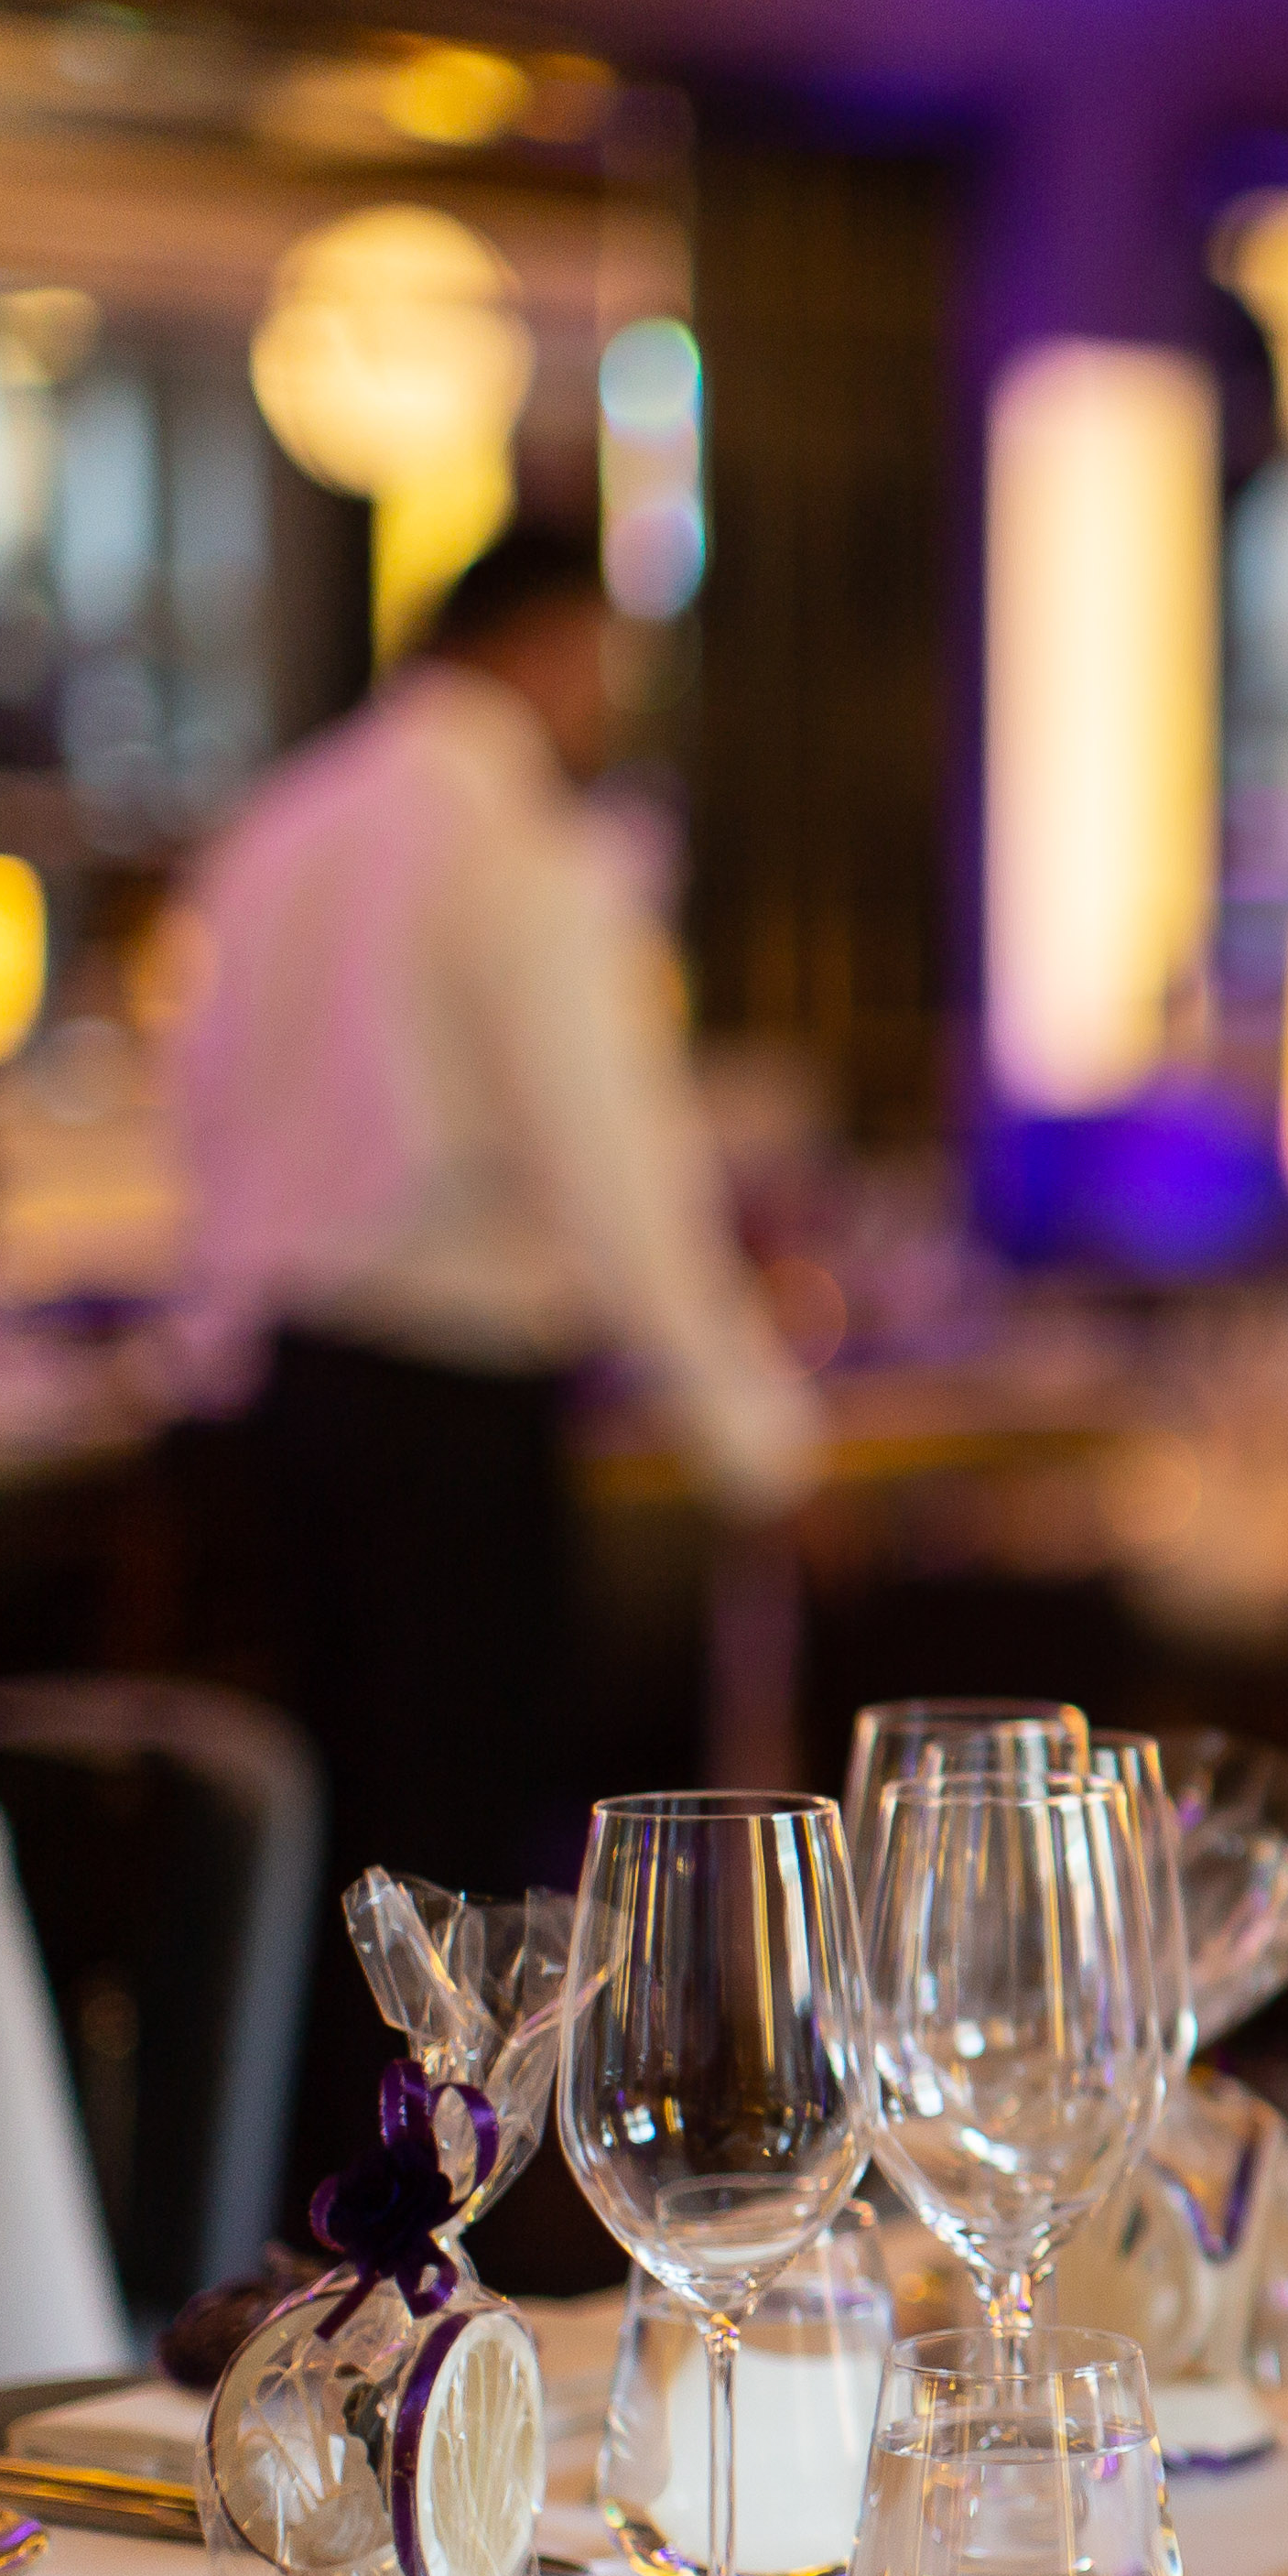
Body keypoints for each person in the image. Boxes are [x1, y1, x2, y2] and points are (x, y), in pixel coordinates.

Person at [170, 518, 817, 1935]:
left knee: (331, 1867)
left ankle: (325, 2160)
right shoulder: (523, 847)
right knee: (457, 1879)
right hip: (451, 1423)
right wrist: (753, 1431)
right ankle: (446, 2160)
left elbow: (202, 1112)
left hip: (288, 1405)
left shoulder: (280, 824)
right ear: (551, 642)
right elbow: (614, 1161)